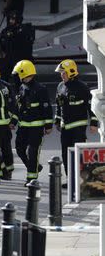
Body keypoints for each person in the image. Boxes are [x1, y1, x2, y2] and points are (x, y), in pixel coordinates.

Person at [54, 59, 98, 187]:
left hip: (78, 127)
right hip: (65, 127)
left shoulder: (82, 87)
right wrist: (57, 120)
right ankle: (70, 179)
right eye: (61, 73)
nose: (62, 75)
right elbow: (58, 105)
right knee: (66, 154)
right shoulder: (60, 86)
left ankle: (81, 179)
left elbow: (91, 106)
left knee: (78, 153)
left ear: (71, 72)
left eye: (64, 73)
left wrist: (94, 122)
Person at [12, 60, 53, 185]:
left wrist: (48, 125)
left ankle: (31, 179)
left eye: (19, 73)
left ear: (24, 73)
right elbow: (18, 107)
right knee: (19, 149)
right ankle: (34, 167)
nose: (18, 76)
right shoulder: (22, 87)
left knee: (32, 152)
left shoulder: (40, 89)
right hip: (23, 127)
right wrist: (13, 121)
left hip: (36, 128)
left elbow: (47, 108)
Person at [0, 11, 35, 82]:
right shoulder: (8, 30)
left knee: (22, 77)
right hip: (10, 58)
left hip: (23, 58)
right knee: (4, 74)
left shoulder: (25, 29)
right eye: (10, 19)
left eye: (13, 19)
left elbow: (27, 42)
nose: (10, 21)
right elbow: (2, 41)